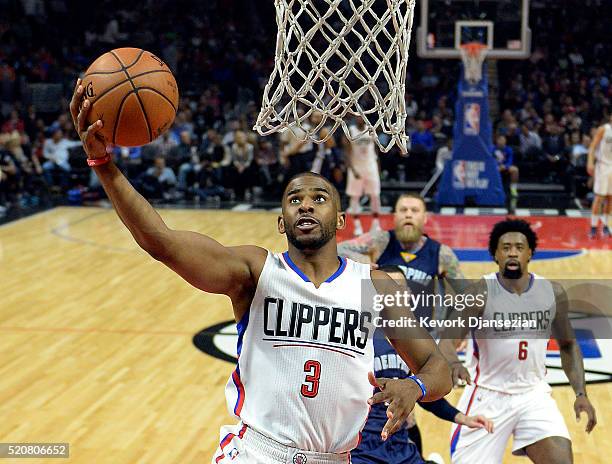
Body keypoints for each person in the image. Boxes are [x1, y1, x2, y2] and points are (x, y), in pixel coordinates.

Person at [70, 79, 452, 464]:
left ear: (339, 220)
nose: (305, 205)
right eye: (294, 200)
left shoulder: (373, 284)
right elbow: (162, 242)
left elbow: (438, 368)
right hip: (257, 453)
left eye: (318, 199)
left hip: (335, 458)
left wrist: (415, 387)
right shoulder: (255, 271)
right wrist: (103, 165)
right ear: (282, 223)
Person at [438, 219, 597, 464]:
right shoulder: (479, 293)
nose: (513, 252)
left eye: (519, 247)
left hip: (533, 395)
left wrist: (580, 393)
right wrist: (453, 363)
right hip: (487, 395)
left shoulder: (551, 292)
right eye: (506, 247)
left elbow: (568, 345)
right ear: (495, 254)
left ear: (530, 253)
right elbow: (447, 340)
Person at [339, 194, 466, 456]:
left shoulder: (441, 254)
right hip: (380, 331)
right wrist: (361, 263)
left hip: (416, 335)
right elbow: (335, 251)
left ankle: (410, 456)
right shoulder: (381, 241)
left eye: (414, 210)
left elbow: (463, 300)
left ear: (424, 217)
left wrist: (449, 337)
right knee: (386, 404)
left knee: (411, 407)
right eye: (403, 209)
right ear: (394, 215)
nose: (408, 214)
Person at [352, 265, 494, 464]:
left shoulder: (415, 342)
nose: (394, 293)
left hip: (400, 448)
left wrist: (462, 418)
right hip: (361, 448)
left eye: (400, 287)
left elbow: (422, 392)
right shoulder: (357, 336)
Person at [343, 116, 382, 236]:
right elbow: (346, 152)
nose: (360, 119)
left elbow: (375, 149)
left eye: (362, 117)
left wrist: (377, 166)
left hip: (371, 166)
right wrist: (351, 168)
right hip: (356, 167)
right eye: (358, 117)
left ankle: (376, 223)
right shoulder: (351, 130)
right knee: (355, 197)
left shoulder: (371, 129)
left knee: (375, 195)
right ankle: (357, 225)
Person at [586, 114, 612, 238]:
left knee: (610, 198)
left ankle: (607, 226)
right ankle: (593, 226)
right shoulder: (604, 129)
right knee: (599, 197)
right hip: (603, 166)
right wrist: (590, 162)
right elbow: (592, 147)